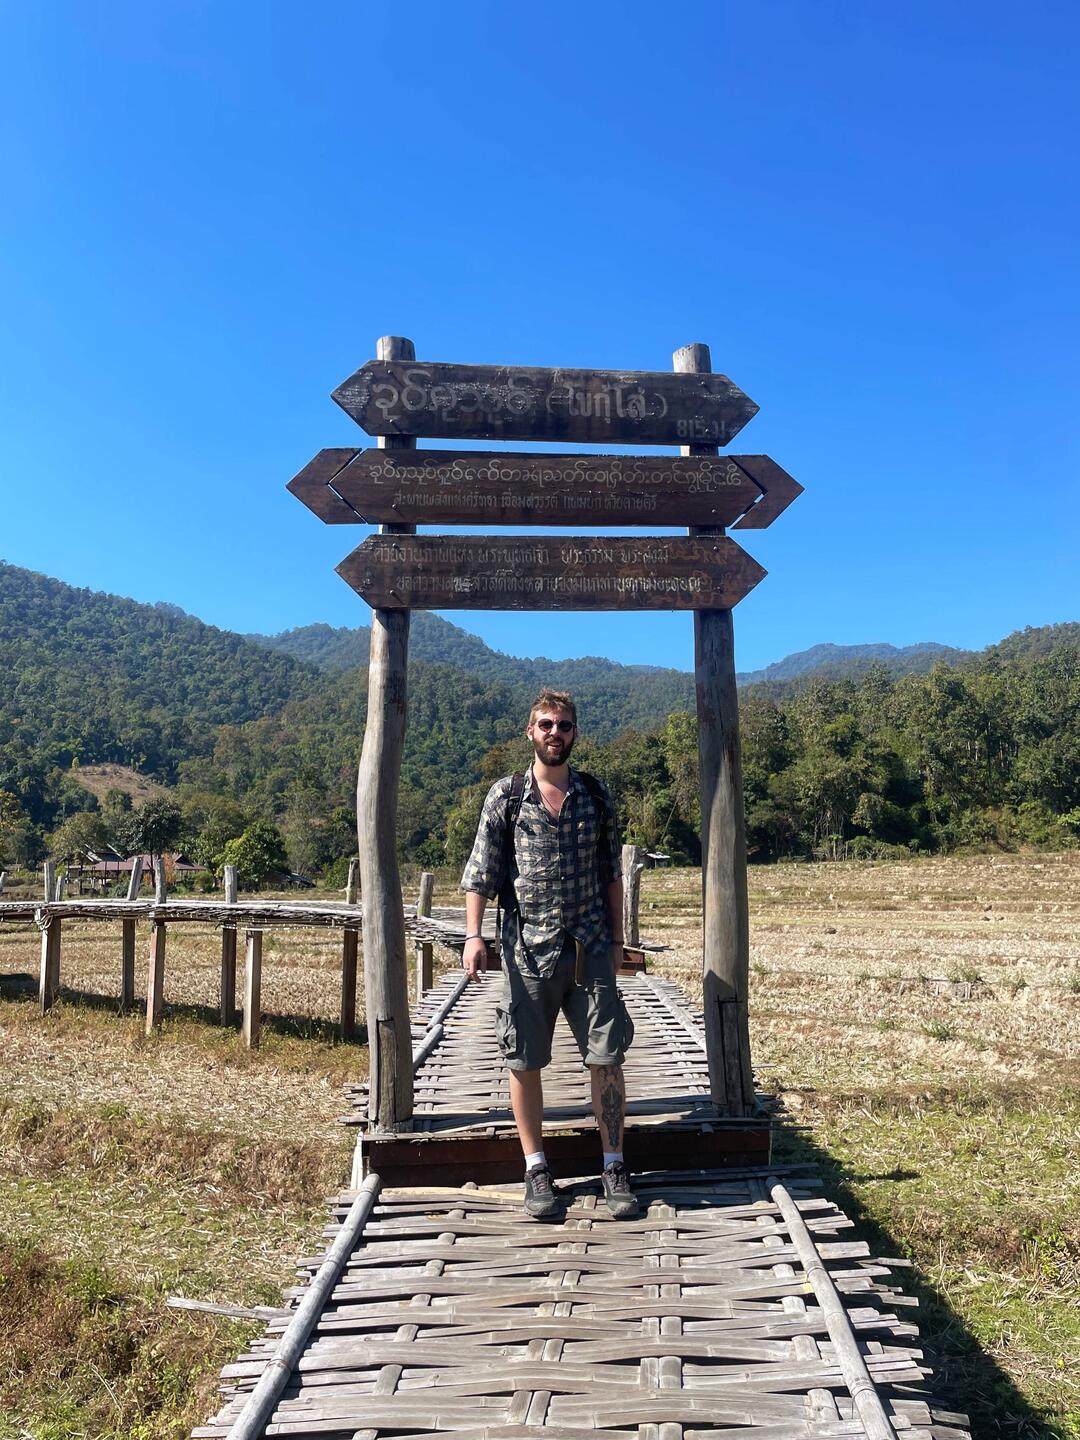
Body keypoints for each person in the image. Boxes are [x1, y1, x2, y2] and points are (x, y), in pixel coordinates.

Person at [460, 687, 638, 1219]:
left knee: (607, 1056)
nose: (554, 733)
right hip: (527, 952)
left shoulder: (595, 795)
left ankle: (613, 1165)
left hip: (591, 947)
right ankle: (536, 1169)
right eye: (546, 724)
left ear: (575, 733)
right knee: (525, 1058)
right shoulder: (507, 796)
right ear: (530, 731)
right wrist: (473, 936)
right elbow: (482, 872)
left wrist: (619, 941)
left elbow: (611, 874)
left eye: (563, 725)